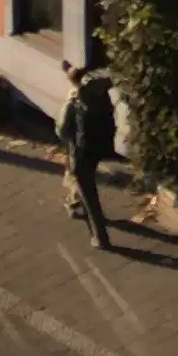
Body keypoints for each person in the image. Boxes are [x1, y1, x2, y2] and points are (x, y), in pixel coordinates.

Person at [59, 56, 117, 248]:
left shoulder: (75, 102)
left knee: (89, 194)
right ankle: (75, 203)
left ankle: (99, 237)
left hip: (81, 151)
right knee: (83, 184)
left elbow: (61, 129)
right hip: (100, 147)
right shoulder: (102, 97)